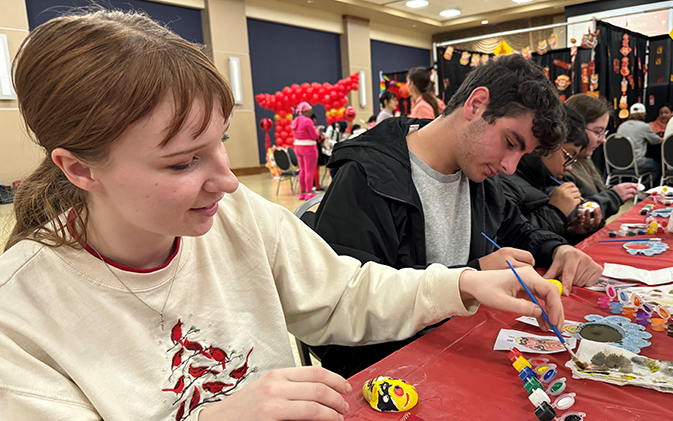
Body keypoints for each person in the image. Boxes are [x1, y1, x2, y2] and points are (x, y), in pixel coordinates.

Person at [0, 10, 566, 421]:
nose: (226, 182)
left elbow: (342, 296)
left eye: (220, 143)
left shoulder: (237, 214)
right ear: (79, 170)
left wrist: (464, 282)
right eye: (182, 163)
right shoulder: (21, 312)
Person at [313, 55, 602, 377]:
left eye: (522, 154)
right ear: (476, 104)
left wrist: (557, 249)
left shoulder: (480, 176)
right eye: (510, 143)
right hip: (389, 371)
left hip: (459, 344)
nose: (510, 166)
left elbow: (517, 229)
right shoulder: (368, 177)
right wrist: (471, 276)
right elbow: (344, 314)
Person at [501, 105, 600, 239]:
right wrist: (555, 212)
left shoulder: (542, 181)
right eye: (568, 157)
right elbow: (510, 241)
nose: (569, 168)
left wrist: (572, 232)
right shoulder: (506, 180)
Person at [565, 94, 638, 237]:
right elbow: (575, 214)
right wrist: (614, 196)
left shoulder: (585, 160)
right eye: (598, 132)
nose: (603, 140)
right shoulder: (563, 166)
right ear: (576, 128)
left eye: (604, 133)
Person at [616, 103, 662, 185]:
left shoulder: (622, 126)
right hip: (636, 162)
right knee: (657, 167)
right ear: (644, 114)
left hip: (620, 162)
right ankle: (644, 187)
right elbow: (656, 141)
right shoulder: (644, 126)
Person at [291, 101, 320, 200]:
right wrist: (318, 131)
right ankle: (309, 192)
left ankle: (302, 193)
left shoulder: (296, 121)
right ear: (306, 112)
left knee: (302, 170)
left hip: (298, 147)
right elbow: (314, 136)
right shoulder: (308, 121)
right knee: (309, 171)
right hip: (309, 148)